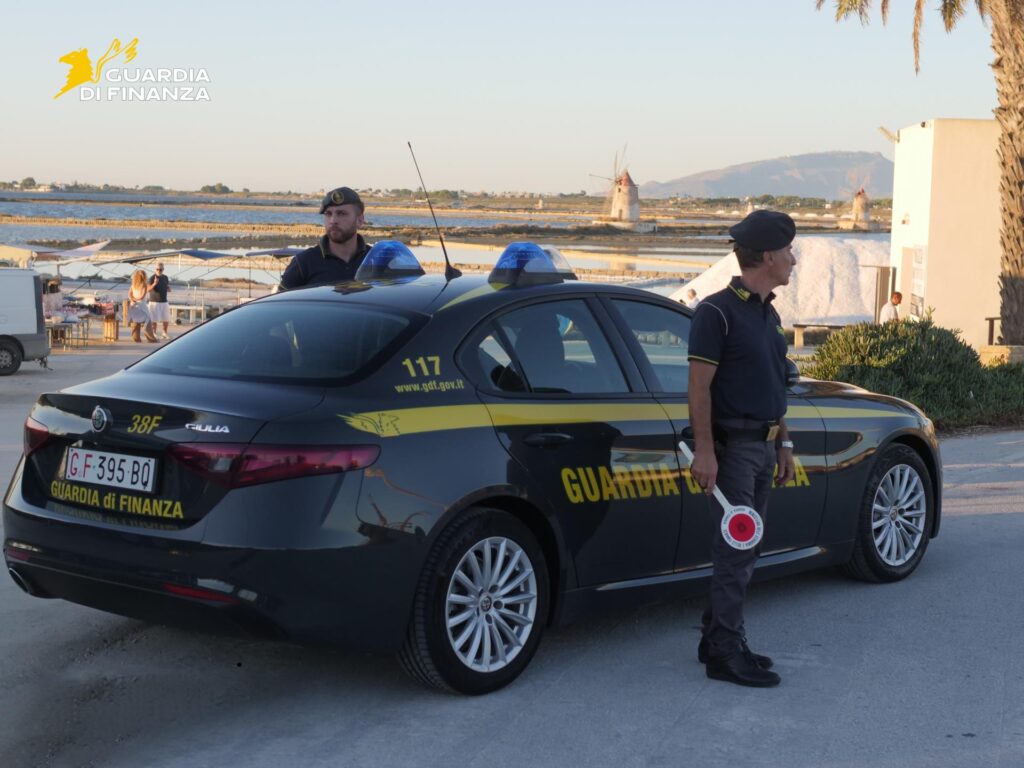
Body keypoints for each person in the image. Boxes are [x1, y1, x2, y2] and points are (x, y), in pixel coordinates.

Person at [687, 209, 798, 688]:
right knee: (735, 551)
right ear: (768, 256)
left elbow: (773, 384)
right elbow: (698, 388)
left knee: (745, 549)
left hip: (763, 446)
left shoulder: (767, 313)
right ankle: (725, 655)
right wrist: (705, 451)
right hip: (732, 449)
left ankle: (717, 638)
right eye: (789, 251)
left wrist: (784, 440)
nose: (794, 259)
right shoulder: (716, 312)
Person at [280, 186, 371, 289]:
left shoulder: (377, 260)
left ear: (360, 221)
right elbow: (280, 299)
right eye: (328, 214)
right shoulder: (303, 263)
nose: (333, 221)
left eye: (341, 214)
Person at [127, 269, 157, 343]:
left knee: (135, 322)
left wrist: (133, 300)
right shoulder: (144, 285)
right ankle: (151, 338)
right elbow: (142, 296)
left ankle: (136, 338)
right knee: (147, 322)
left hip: (133, 306)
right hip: (142, 306)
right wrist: (136, 300)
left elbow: (129, 294)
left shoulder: (133, 285)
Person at [147, 262, 171, 339]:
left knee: (166, 318)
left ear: (163, 269)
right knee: (154, 319)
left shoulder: (165, 277)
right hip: (154, 302)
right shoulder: (151, 278)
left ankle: (164, 333)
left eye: (160, 269)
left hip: (164, 301)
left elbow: (166, 286)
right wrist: (154, 283)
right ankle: (154, 333)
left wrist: (168, 288)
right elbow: (148, 289)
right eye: (157, 269)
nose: (159, 271)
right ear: (155, 269)